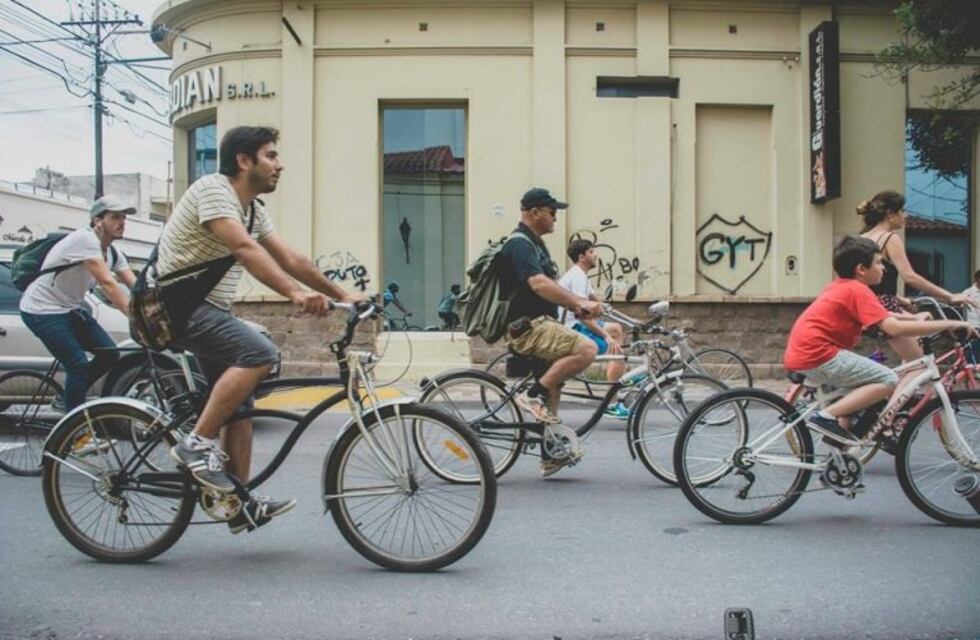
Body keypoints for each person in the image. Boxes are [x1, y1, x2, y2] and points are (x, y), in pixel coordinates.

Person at [162, 126, 362, 534]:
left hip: (207, 309)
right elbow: (244, 249)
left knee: (241, 408)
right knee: (260, 354)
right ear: (244, 160)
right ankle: (195, 444)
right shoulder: (214, 191)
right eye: (271, 155)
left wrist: (344, 295)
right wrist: (294, 294)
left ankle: (236, 502)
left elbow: (291, 258)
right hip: (177, 307)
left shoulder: (252, 208)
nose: (280, 164)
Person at [783, 236, 976, 448]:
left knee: (866, 386)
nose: (883, 268)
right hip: (820, 354)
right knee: (887, 379)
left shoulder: (843, 286)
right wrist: (947, 324)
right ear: (861, 269)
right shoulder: (858, 290)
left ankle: (844, 449)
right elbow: (893, 328)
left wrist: (913, 317)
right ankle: (825, 416)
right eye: (878, 262)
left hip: (806, 353)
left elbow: (881, 315)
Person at [498, 187, 603, 476]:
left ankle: (550, 453)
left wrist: (577, 307)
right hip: (528, 328)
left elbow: (549, 288)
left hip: (541, 323)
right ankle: (531, 395)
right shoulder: (520, 244)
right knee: (587, 349)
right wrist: (578, 301)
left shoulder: (535, 244)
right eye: (552, 211)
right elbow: (538, 284)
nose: (556, 217)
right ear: (534, 213)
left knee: (553, 384)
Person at [20, 196, 137, 411]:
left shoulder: (112, 252)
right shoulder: (84, 239)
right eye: (115, 217)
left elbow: (136, 286)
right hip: (41, 309)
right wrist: (135, 317)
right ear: (97, 221)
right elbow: (108, 283)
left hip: (69, 309)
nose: (122, 223)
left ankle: (67, 397)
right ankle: (73, 431)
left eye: (124, 218)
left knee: (109, 353)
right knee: (77, 364)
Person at [857, 190, 976, 363]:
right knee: (920, 364)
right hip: (885, 309)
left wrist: (900, 299)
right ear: (890, 214)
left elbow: (870, 284)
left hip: (869, 304)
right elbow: (910, 277)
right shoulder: (889, 238)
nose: (905, 215)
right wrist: (950, 296)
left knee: (913, 363)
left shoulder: (862, 239)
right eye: (902, 211)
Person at [558, 238, 629, 419]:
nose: (595, 255)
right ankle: (612, 402)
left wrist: (626, 317)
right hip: (573, 328)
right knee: (615, 347)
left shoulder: (580, 276)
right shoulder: (578, 277)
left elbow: (595, 302)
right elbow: (583, 316)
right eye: (591, 252)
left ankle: (616, 387)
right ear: (582, 257)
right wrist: (606, 336)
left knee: (616, 329)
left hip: (576, 323)